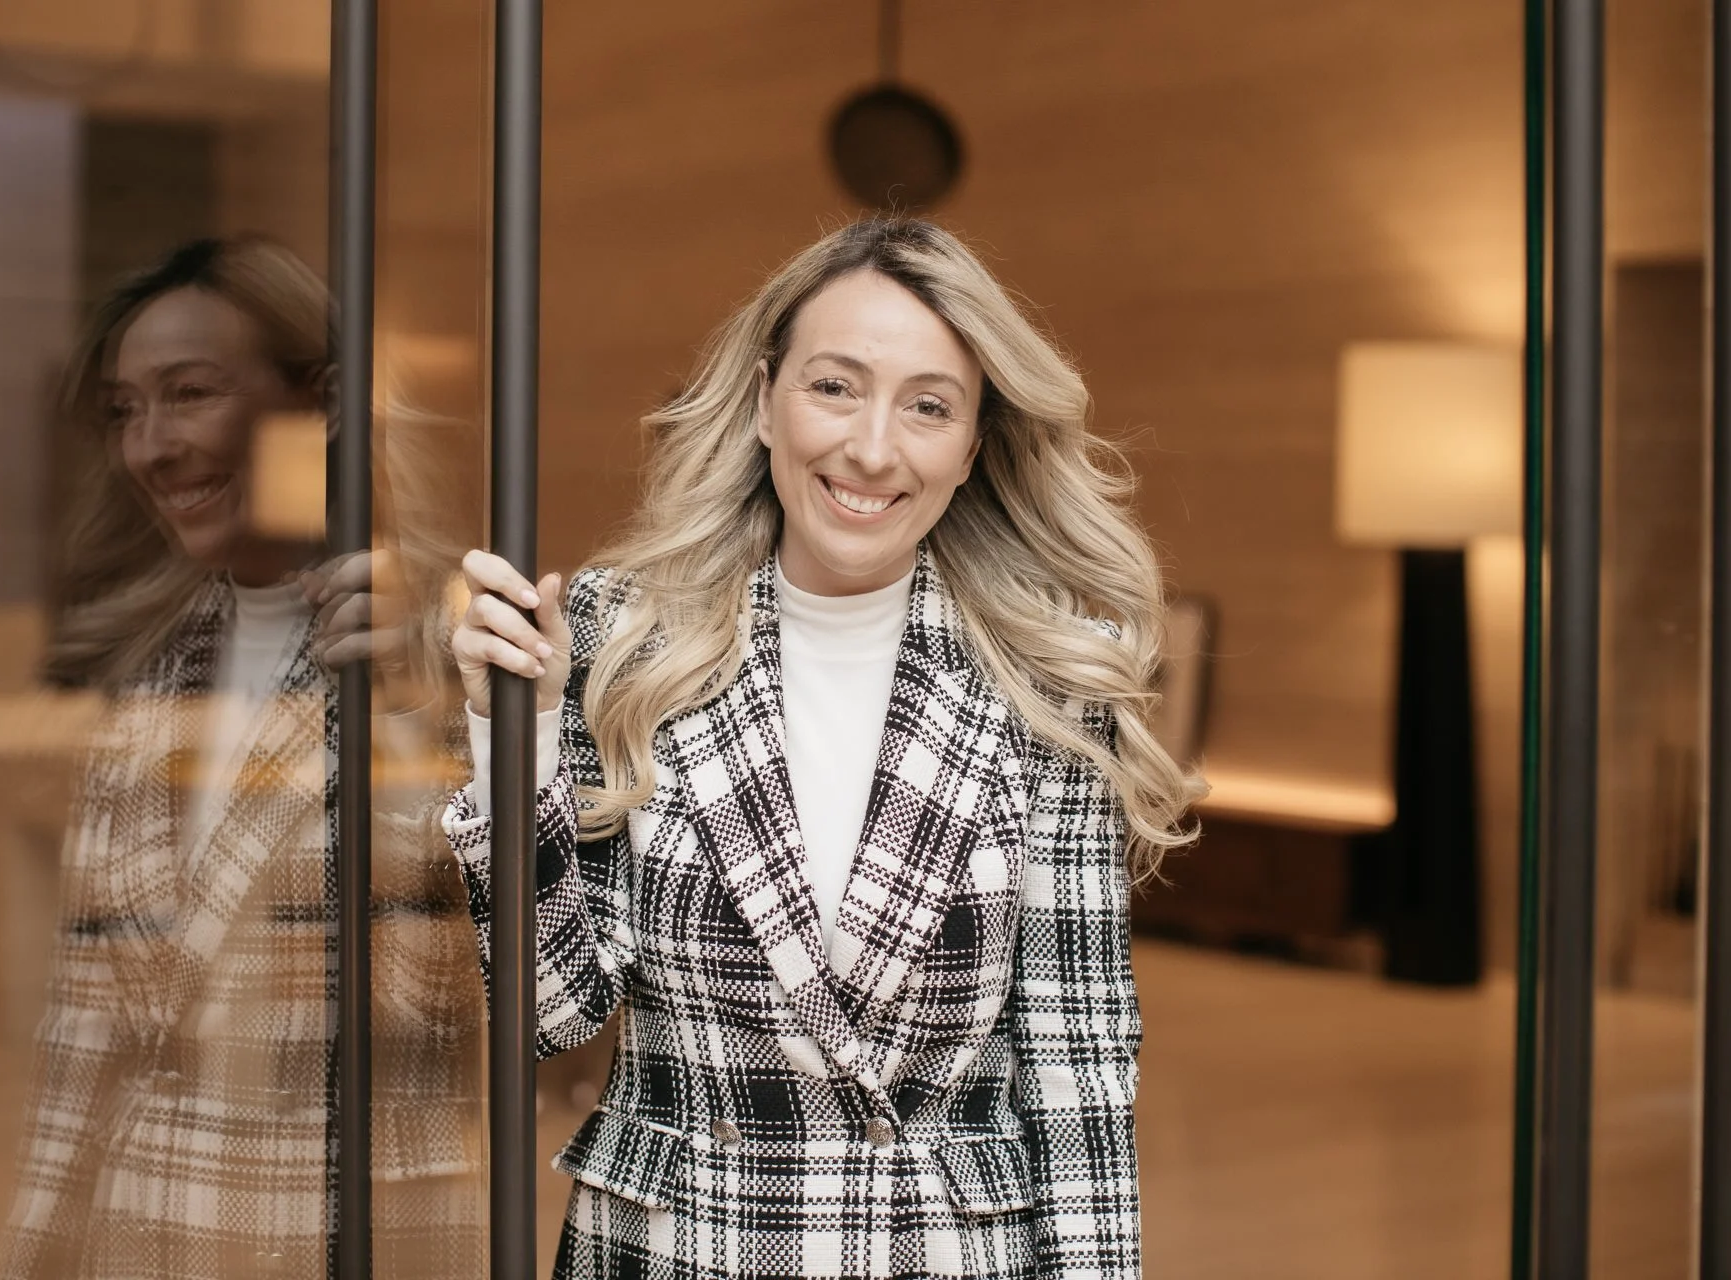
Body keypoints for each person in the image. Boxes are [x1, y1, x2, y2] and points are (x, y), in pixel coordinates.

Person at [449, 215, 1200, 1279]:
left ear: (972, 445)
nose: (873, 448)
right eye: (835, 386)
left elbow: (1078, 1064)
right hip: (674, 1249)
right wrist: (508, 734)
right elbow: (550, 1008)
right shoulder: (624, 636)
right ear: (765, 400)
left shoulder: (1054, 677)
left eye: (928, 406)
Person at [0, 236, 485, 1280]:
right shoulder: (149, 682)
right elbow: (88, 1027)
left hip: (348, 1232)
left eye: (190, 394)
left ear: (329, 401)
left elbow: (503, 978)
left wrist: (415, 701)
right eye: (128, 410)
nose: (151, 446)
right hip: (144, 1232)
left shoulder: (456, 652)